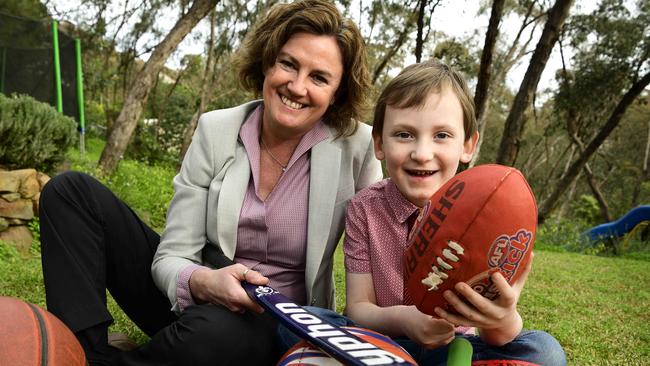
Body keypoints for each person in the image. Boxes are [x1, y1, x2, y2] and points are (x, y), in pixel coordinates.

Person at [39, 1, 382, 365]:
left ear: (337, 94)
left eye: (319, 78)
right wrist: (202, 282)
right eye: (289, 64)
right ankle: (78, 353)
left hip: (278, 322)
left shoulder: (357, 147)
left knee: (213, 333)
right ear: (268, 62)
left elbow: (384, 240)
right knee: (70, 192)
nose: (297, 86)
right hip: (197, 296)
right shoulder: (216, 129)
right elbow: (172, 255)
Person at [278, 59, 566, 365]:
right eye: (404, 134)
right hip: (379, 344)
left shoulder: (489, 212)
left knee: (544, 351)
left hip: (455, 348)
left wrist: (502, 316)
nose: (422, 153)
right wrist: (406, 321)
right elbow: (359, 309)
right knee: (296, 322)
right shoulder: (364, 207)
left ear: (468, 145)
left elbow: (499, 336)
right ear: (379, 143)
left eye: (441, 135)